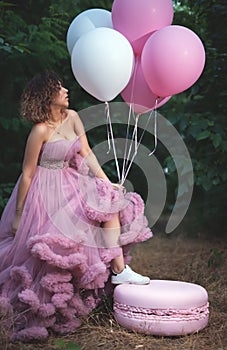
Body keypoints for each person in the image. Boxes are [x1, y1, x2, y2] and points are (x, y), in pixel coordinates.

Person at [0, 71, 152, 342]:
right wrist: (19, 214)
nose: (66, 91)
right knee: (57, 245)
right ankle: (54, 306)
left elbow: (87, 153)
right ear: (48, 97)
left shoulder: (72, 116)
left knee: (109, 203)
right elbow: (27, 174)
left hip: (73, 180)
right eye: (59, 89)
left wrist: (108, 182)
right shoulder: (40, 130)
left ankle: (119, 270)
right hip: (45, 190)